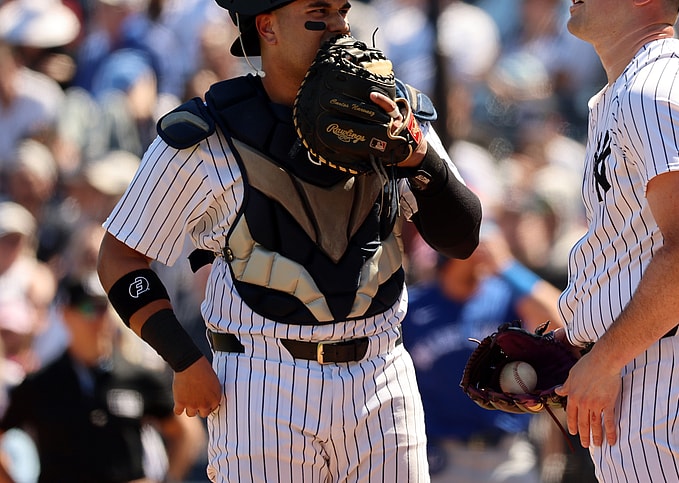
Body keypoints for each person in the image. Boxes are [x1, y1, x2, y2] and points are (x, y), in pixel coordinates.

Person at [95, 1, 482, 482]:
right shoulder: (209, 132)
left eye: (341, 10)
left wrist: (420, 160)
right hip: (263, 379)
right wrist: (183, 356)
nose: (339, 25)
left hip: (381, 376)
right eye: (318, 12)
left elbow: (462, 239)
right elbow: (120, 254)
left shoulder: (392, 110)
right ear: (267, 26)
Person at [552, 1, 679, 481]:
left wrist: (605, 357)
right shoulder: (633, 88)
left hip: (670, 370)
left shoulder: (655, 90)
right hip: (655, 360)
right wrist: (583, 333)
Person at [0, 275, 206, 483]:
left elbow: (187, 432)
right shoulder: (41, 383)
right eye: (87, 308)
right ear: (65, 314)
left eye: (102, 308)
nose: (96, 318)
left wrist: (168, 480)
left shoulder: (136, 376)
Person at [404, 224, 562, 482]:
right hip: (441, 455)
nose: (483, 252)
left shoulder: (504, 297)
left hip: (507, 454)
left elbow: (561, 319)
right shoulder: (413, 307)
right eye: (474, 246)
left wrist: (508, 267)